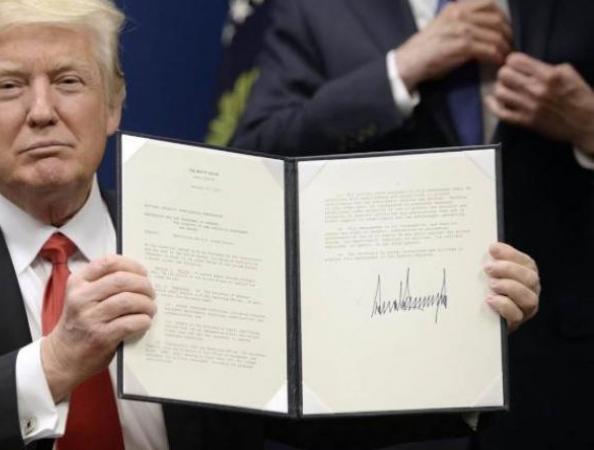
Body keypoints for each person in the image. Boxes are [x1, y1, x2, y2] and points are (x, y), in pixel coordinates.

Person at [0, 0, 541, 449]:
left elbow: (305, 413)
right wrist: (57, 364)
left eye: (70, 82)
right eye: (9, 87)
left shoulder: (209, 227)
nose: (42, 111)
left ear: (114, 107)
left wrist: (459, 345)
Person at [231, 0, 594, 448]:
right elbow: (256, 160)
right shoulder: (317, 11)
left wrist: (589, 124)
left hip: (562, 377)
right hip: (387, 393)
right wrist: (397, 71)